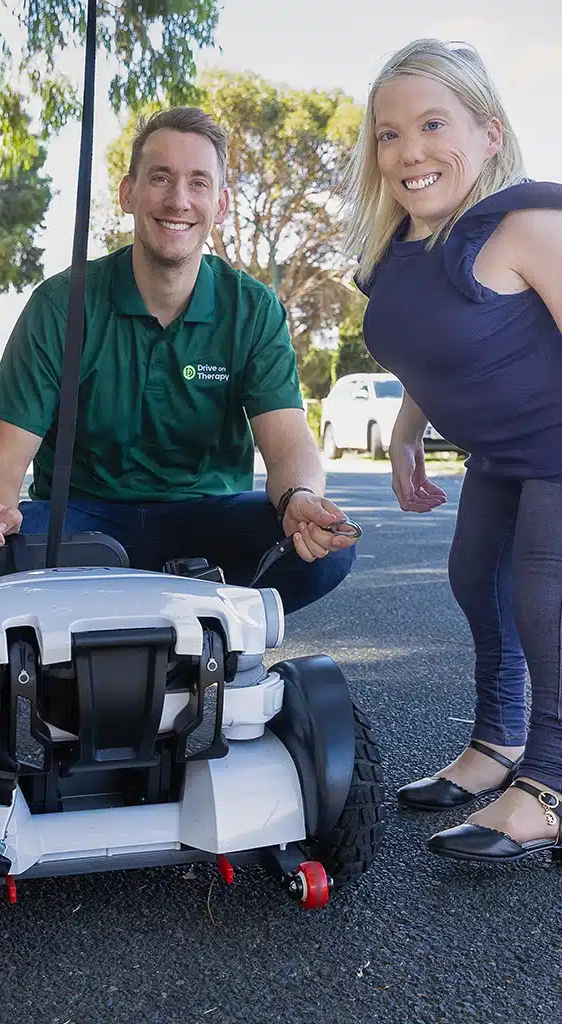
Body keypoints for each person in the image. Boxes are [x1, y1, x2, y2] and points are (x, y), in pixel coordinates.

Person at [0, 107, 359, 613]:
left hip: (206, 522)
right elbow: (2, 461)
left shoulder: (253, 308)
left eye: (198, 183)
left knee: (325, 552)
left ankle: (213, 636)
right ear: (127, 193)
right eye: (160, 178)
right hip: (80, 523)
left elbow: (288, 441)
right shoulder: (60, 304)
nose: (178, 200)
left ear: (221, 204)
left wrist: (299, 499)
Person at [342, 38, 562, 864]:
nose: (408, 151)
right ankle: (501, 744)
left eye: (434, 124)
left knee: (546, 599)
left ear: (490, 134)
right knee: (476, 580)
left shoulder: (525, 223)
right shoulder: (403, 248)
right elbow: (436, 353)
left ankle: (550, 782)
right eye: (388, 134)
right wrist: (405, 433)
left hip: (558, 449)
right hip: (502, 455)